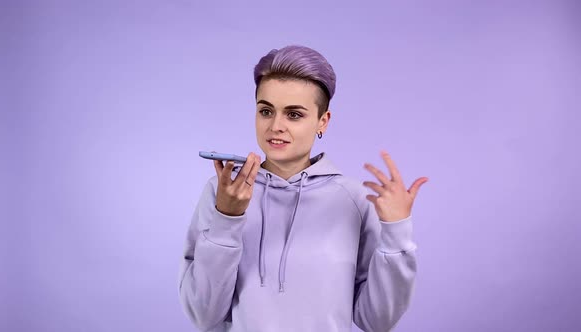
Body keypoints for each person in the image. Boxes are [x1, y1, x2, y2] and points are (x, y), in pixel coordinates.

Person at [178, 45, 428, 332]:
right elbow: (203, 315)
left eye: (294, 114)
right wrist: (227, 218)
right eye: (266, 111)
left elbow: (377, 321)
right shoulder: (224, 191)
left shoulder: (355, 200)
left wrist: (396, 231)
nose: (276, 126)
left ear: (323, 121)